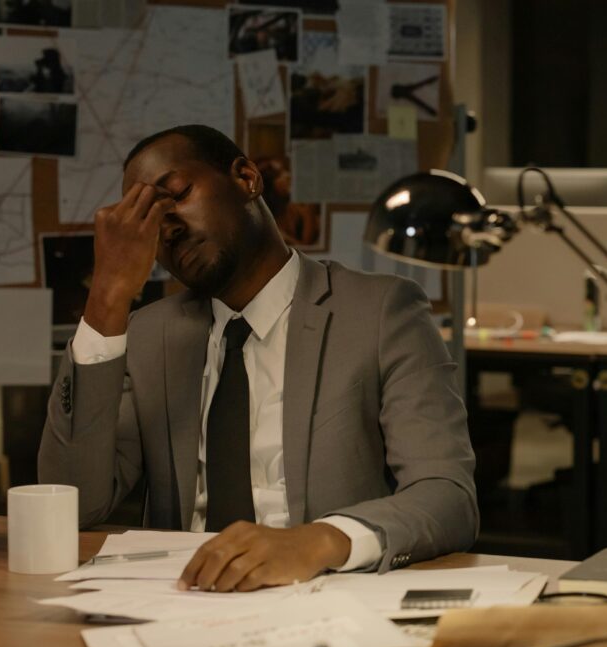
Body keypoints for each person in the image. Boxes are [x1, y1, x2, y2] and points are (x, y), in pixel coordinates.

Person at [38, 124, 477, 593]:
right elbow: (75, 505)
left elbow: (447, 497)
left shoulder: (380, 312)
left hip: (324, 598)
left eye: (177, 195)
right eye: (145, 220)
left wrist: (318, 542)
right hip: (179, 599)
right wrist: (107, 297)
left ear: (247, 178)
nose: (166, 227)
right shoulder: (149, 334)